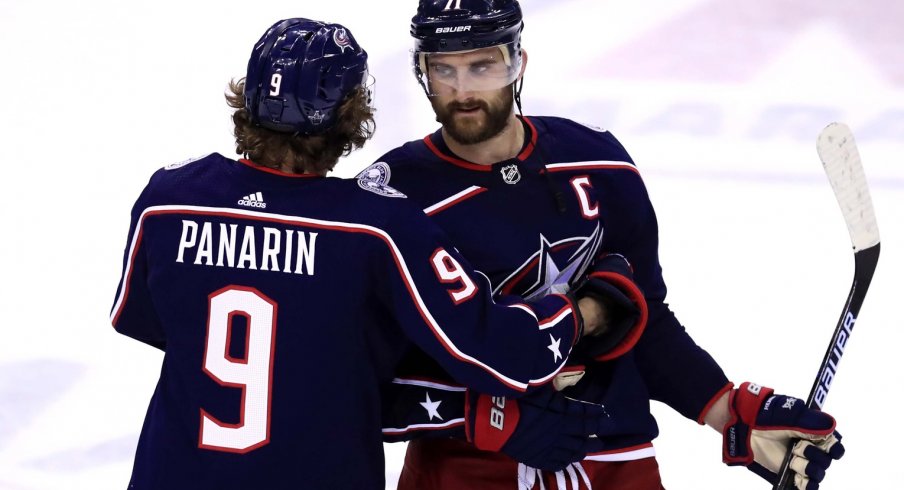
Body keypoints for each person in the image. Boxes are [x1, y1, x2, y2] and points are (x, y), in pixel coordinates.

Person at [109, 17, 632, 490]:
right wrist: (590, 308)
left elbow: (144, 320)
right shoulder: (375, 226)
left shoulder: (168, 199)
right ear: (351, 113)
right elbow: (505, 355)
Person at [365, 1, 845, 489]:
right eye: (443, 68)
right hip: (463, 468)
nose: (462, 90)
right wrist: (478, 414)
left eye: (482, 65)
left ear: (518, 62)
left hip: (617, 459)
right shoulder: (390, 198)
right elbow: (357, 375)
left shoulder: (599, 162)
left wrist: (728, 409)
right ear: (421, 70)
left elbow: (644, 317)